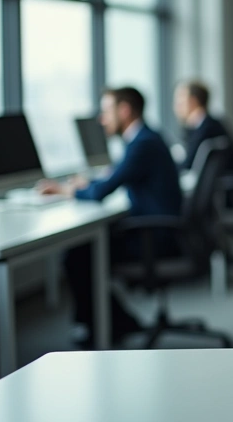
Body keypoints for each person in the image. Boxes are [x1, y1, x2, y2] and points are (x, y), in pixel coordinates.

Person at [38, 86, 182, 348]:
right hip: (158, 230)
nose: (101, 119)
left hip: (154, 238)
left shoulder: (142, 144)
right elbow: (113, 178)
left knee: (78, 255)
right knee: (82, 251)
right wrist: (86, 184)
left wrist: (64, 189)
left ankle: (102, 328)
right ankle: (117, 322)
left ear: (124, 110)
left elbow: (102, 191)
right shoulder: (145, 139)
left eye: (106, 111)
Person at [173, 80, 233, 171]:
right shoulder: (206, 124)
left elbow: (188, 163)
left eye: (180, 102)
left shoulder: (207, 129)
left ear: (193, 101)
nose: (176, 107)